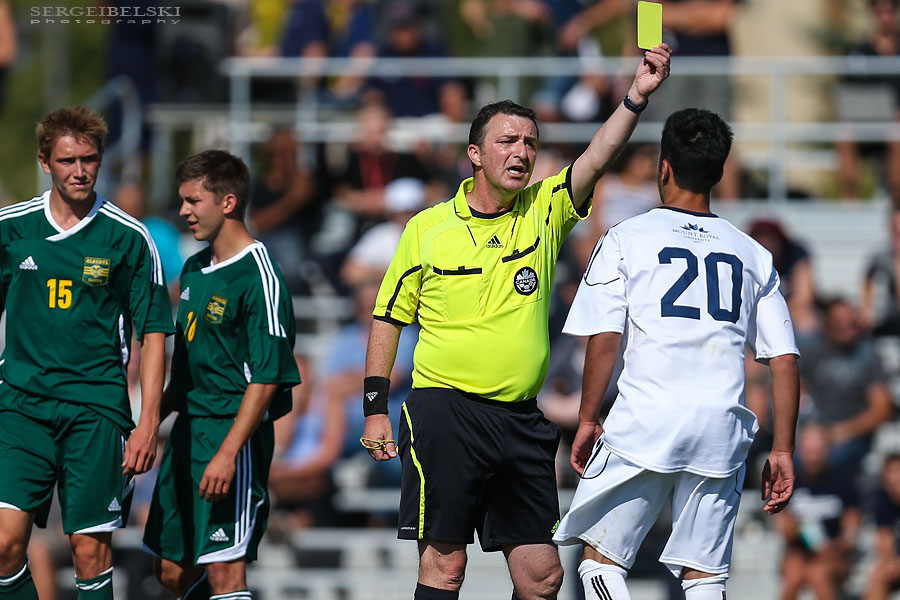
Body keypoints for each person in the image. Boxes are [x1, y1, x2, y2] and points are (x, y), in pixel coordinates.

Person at [361, 43, 672, 599]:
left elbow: (597, 156)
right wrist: (374, 409)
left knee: (543, 576)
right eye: (507, 141)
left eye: (531, 142)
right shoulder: (428, 229)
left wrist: (635, 97)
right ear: (475, 154)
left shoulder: (543, 211)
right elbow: (387, 317)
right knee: (444, 567)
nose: (522, 151)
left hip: (522, 421)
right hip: (446, 411)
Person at [552, 108, 801, 599]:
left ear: (663, 167)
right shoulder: (753, 252)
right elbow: (785, 359)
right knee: (705, 577)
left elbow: (605, 338)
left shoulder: (625, 237)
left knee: (599, 563)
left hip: (648, 416)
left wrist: (586, 419)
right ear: (719, 171)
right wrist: (783, 450)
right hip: (721, 423)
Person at [0, 106, 173, 599]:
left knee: (89, 551)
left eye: (90, 159)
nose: (79, 170)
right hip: (21, 406)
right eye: (67, 160)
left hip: (96, 412)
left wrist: (148, 424)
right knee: (4, 545)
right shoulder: (11, 228)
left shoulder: (129, 238)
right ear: (44, 162)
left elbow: (155, 333)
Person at [141, 151, 301, 600]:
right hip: (186, 435)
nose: (182, 211)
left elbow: (267, 377)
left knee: (225, 573)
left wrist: (229, 452)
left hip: (232, 435)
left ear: (228, 202)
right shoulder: (193, 268)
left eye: (193, 200)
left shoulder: (260, 277)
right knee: (170, 571)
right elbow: (187, 369)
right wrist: (149, 424)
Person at [799, 297, 893, 474]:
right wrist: (811, 431)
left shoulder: (868, 355)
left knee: (836, 460)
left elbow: (881, 409)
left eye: (851, 320)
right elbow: (798, 392)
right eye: (841, 322)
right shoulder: (814, 352)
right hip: (816, 433)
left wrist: (839, 433)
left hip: (853, 436)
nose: (848, 327)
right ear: (827, 324)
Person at [777, 423, 860, 600]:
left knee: (819, 573)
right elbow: (784, 529)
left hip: (835, 553)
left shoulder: (844, 482)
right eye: (809, 451)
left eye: (818, 451)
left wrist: (834, 546)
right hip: (798, 551)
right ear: (800, 452)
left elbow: (851, 533)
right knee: (794, 575)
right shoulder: (789, 482)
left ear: (828, 450)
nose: (813, 457)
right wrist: (798, 528)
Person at [864, 453, 900, 600]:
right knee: (879, 575)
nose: (893, 477)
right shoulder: (883, 501)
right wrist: (889, 562)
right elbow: (884, 540)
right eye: (890, 472)